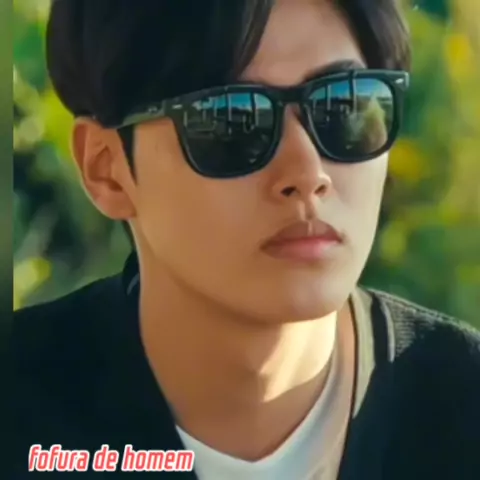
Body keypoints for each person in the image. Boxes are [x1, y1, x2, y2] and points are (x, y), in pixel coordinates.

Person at [11, 0, 480, 478]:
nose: (307, 174)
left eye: (344, 106)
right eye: (231, 121)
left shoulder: (462, 412)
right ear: (107, 169)